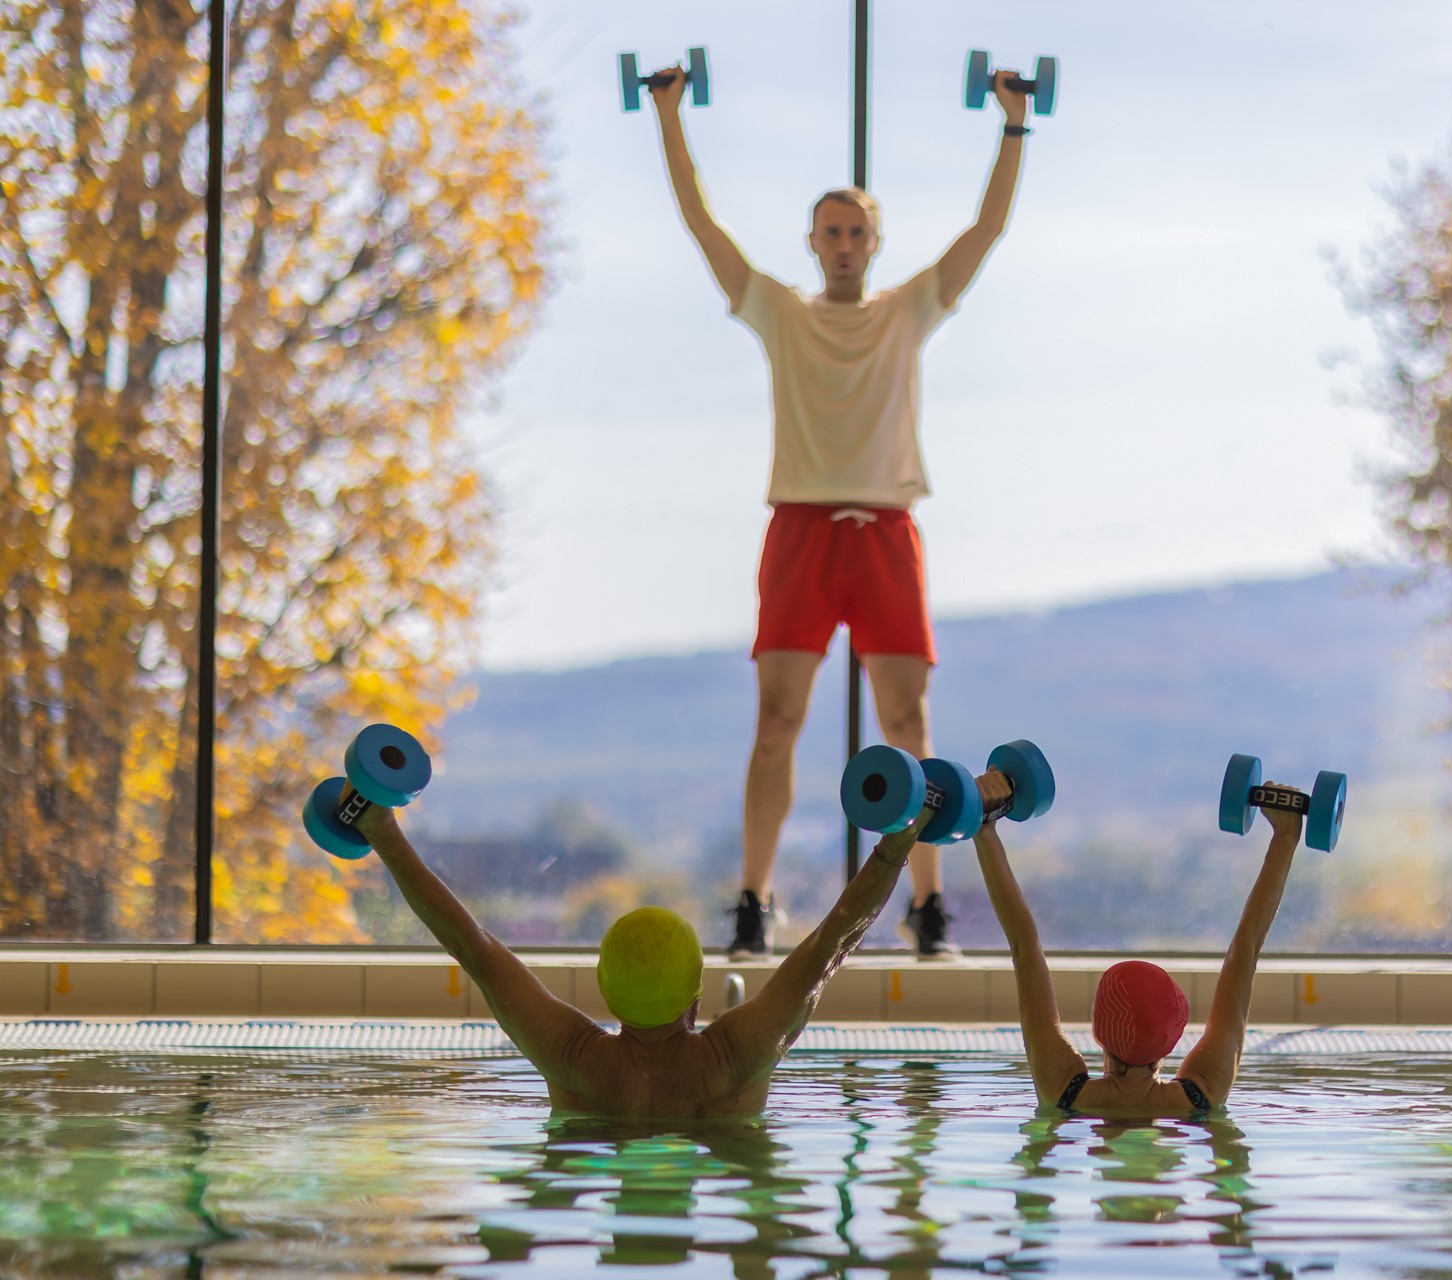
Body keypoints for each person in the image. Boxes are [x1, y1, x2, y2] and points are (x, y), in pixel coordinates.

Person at [646, 58, 1035, 962]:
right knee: (776, 721)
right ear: (813, 243)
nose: (846, 243)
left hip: (885, 533)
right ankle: (753, 902)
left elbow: (988, 228)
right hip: (800, 533)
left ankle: (928, 910)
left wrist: (1013, 125)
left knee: (910, 728)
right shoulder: (779, 313)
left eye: (858, 231)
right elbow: (699, 223)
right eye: (832, 231)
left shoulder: (910, 312)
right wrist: (669, 114)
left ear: (875, 242)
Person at [354, 799, 931, 1117]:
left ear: (606, 991)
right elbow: (831, 943)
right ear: (696, 996)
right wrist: (895, 846)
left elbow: (470, 944)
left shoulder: (573, 1058)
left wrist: (382, 831)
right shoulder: (736, 1058)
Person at [973, 771, 1303, 1116]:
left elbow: (1024, 945)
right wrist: (1287, 834)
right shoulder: (1202, 1094)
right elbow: (1245, 952)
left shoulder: (1063, 1090)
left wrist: (984, 825)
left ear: (1099, 1031)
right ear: (1175, 1036)